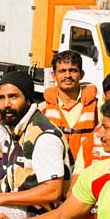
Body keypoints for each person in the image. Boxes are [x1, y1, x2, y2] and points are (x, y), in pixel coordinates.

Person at [0, 71, 70, 214]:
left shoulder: (44, 136)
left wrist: (0, 198)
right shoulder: (15, 127)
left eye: (13, 97)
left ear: (28, 99)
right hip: (16, 204)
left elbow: (52, 191)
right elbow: (20, 174)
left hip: (39, 215)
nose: (6, 104)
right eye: (1, 98)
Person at [41, 51, 99, 184]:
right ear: (53, 75)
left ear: (81, 74)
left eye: (73, 70)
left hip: (86, 178)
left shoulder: (97, 107)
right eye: (62, 71)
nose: (67, 75)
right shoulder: (42, 109)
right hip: (53, 179)